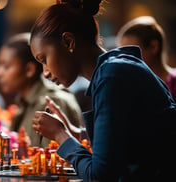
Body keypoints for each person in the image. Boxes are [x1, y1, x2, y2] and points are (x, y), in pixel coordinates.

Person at [30, 0, 176, 181]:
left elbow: (100, 175)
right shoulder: (116, 68)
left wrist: (61, 135)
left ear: (68, 42)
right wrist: (76, 133)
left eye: (44, 59)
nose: (45, 73)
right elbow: (127, 137)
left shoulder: (112, 76)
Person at [0, 33, 84, 148]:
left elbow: (55, 158)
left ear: (29, 70)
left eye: (6, 66)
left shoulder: (53, 102)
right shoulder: (23, 103)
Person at [117, 15, 176, 101]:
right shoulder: (129, 86)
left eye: (132, 53)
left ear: (153, 47)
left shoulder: (173, 83)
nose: (125, 59)